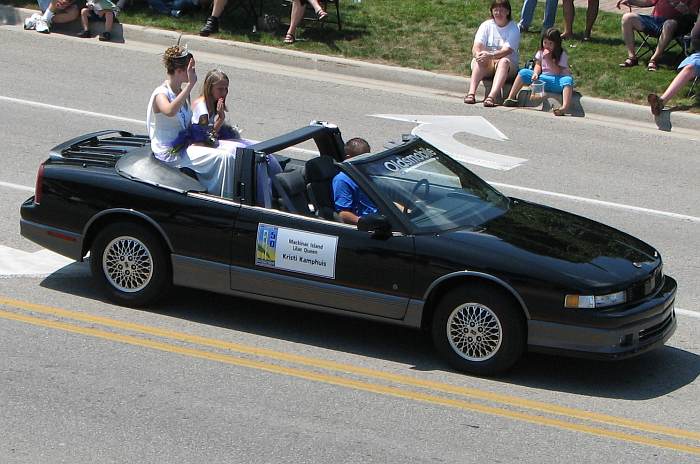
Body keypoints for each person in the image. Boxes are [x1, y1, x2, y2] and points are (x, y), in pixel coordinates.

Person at [146, 45, 242, 198]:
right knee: (223, 159)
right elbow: (170, 111)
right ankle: (222, 197)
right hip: (169, 150)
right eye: (191, 70)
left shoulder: (181, 92)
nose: (194, 73)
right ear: (180, 71)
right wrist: (190, 85)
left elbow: (188, 123)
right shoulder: (161, 93)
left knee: (230, 151)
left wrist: (204, 138)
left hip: (184, 145)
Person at [503, 27, 574, 116]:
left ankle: (564, 107)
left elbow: (557, 71)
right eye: (545, 42)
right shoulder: (541, 52)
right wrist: (536, 73)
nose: (547, 46)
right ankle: (511, 97)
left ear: (557, 44)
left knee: (568, 80)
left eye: (550, 43)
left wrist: (548, 58)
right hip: (543, 79)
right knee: (524, 72)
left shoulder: (561, 54)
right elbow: (538, 64)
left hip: (557, 80)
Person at [464, 0, 520, 107]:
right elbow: (477, 46)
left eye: (502, 10)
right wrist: (478, 55)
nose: (498, 13)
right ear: (492, 11)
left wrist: (491, 55)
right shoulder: (486, 25)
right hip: (488, 64)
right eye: (496, 10)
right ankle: (471, 93)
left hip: (508, 65)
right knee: (480, 58)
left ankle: (491, 97)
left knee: (504, 61)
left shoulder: (513, 28)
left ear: (508, 12)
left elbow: (507, 51)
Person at [617, 0, 700, 71]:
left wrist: (679, 6)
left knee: (669, 24)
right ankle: (632, 58)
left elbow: (693, 14)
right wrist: (630, 1)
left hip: (677, 23)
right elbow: (648, 2)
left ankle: (653, 60)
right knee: (627, 17)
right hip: (655, 21)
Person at [333, 138, 377, 225]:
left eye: (367, 157)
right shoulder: (342, 180)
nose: (365, 161)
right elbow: (343, 214)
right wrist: (365, 223)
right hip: (369, 223)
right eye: (361, 158)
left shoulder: (371, 172)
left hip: (384, 215)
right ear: (349, 158)